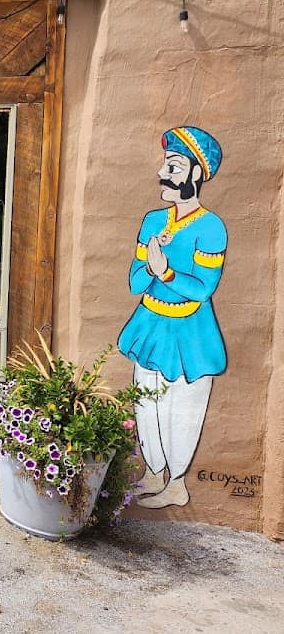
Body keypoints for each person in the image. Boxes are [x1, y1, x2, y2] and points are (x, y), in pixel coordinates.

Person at [118, 126, 227, 508]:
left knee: (181, 406)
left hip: (190, 331)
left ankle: (177, 483)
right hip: (150, 323)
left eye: (175, 166)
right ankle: (152, 473)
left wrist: (165, 271)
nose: (164, 173)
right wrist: (149, 266)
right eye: (166, 165)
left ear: (196, 174)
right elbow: (134, 282)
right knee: (146, 402)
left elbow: (202, 287)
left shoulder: (211, 227)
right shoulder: (152, 221)